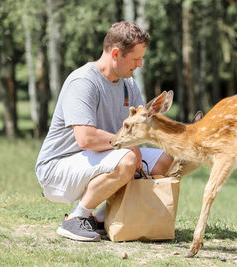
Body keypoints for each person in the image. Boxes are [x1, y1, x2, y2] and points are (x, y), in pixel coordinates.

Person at [35, 21, 173, 242]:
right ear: (116, 54)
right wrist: (129, 147)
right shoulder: (83, 81)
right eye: (136, 58)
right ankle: (75, 219)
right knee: (127, 159)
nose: (141, 64)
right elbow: (86, 138)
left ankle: (100, 219)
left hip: (98, 158)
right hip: (57, 168)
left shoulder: (129, 85)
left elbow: (137, 129)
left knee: (168, 159)